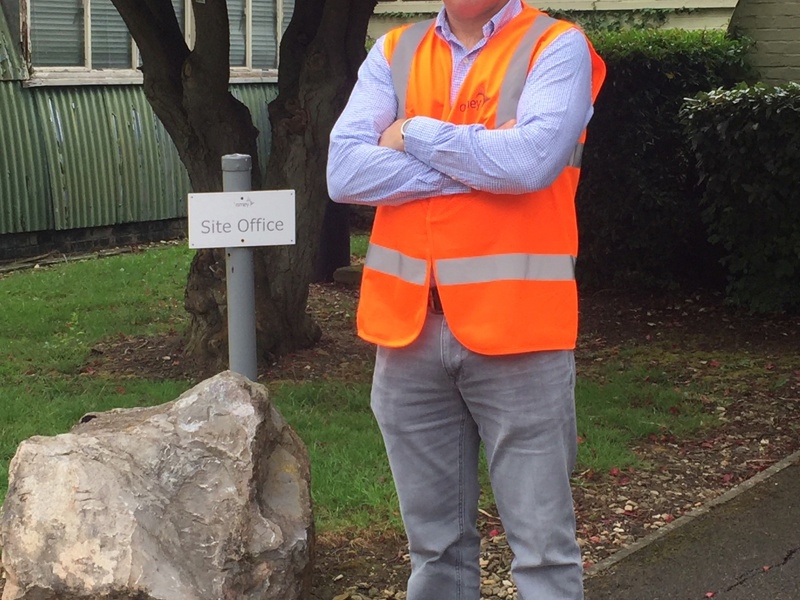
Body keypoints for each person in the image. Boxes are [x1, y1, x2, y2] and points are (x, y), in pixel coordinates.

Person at [327, 0, 605, 598]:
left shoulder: (556, 46)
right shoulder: (395, 51)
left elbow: (529, 163)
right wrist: (481, 165)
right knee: (434, 552)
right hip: (408, 335)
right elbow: (345, 173)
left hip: (520, 332)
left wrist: (412, 135)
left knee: (543, 554)